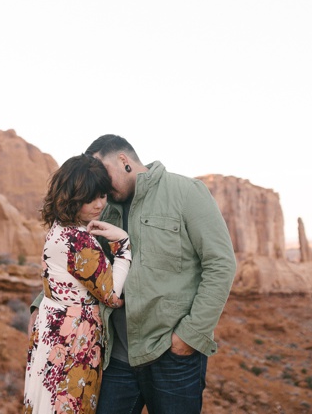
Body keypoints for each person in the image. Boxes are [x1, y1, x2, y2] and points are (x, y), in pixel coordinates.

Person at [85, 134, 237, 414]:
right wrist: (39, 304)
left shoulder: (186, 192)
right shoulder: (102, 209)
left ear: (123, 160)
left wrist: (189, 336)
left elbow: (221, 263)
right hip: (118, 357)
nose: (99, 185)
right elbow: (75, 261)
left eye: (101, 173)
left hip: (173, 356)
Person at [23, 154, 132, 414]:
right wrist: (123, 244)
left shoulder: (60, 228)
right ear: (71, 197)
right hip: (72, 340)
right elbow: (112, 296)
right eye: (88, 198)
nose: (98, 205)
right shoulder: (78, 241)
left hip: (53, 330)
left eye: (102, 195)